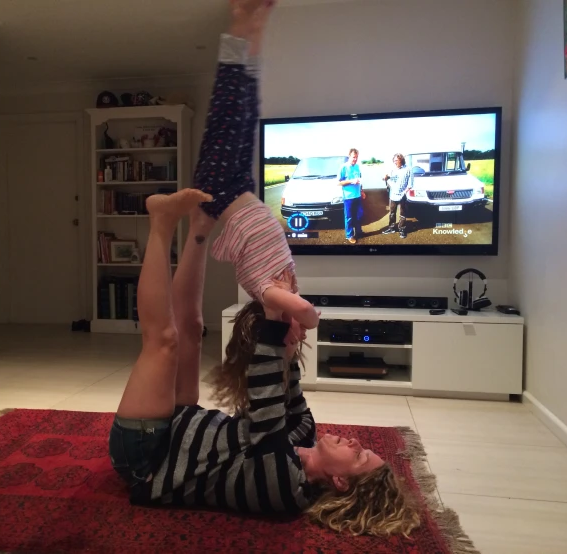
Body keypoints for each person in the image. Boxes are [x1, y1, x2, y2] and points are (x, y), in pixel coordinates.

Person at [109, 188, 421, 537]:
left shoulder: (285, 490)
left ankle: (160, 223)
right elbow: (286, 390)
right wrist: (288, 338)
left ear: (340, 482)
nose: (355, 443)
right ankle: (198, 229)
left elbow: (266, 406)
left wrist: (275, 319)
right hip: (181, 420)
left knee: (163, 342)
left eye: (360, 456)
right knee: (192, 329)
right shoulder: (303, 436)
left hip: (148, 457)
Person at [190, 0, 318, 331]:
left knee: (229, 102)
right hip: (238, 188)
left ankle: (240, 19)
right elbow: (300, 308)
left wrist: (301, 324)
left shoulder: (268, 294)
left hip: (219, 187)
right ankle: (256, 30)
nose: (299, 334)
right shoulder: (280, 289)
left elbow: (307, 314)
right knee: (249, 106)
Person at [338, 148, 366, 244]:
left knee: (359, 215)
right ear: (349, 156)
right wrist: (351, 181)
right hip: (348, 197)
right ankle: (349, 235)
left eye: (357, 157)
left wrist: (362, 191)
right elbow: (339, 183)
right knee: (349, 217)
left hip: (357, 195)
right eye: (354, 157)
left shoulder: (357, 167)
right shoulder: (343, 167)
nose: (355, 159)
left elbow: (359, 180)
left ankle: (358, 232)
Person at [382, 153, 413, 239]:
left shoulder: (408, 169)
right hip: (393, 195)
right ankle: (391, 228)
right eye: (394, 160)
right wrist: (385, 178)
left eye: (396, 160)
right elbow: (388, 178)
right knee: (392, 213)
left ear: (401, 160)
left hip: (403, 195)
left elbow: (410, 184)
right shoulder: (392, 169)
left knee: (403, 214)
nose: (395, 162)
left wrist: (405, 192)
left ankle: (402, 229)